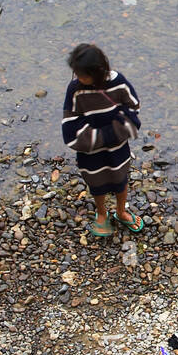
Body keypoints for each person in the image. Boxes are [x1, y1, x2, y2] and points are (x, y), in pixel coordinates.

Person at [61, 43, 143, 236]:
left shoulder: (118, 82)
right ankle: (101, 213)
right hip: (91, 152)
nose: (78, 78)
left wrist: (115, 131)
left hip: (117, 148)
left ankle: (121, 211)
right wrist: (102, 136)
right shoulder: (76, 90)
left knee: (120, 179)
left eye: (82, 75)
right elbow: (70, 122)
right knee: (96, 182)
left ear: (97, 71)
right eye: (76, 73)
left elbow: (134, 106)